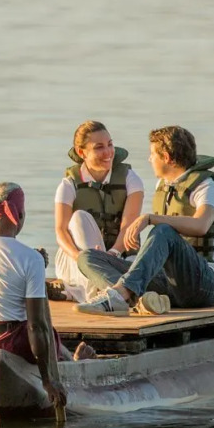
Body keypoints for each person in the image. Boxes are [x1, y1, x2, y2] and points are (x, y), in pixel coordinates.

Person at [77, 126, 214, 315]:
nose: (149, 159)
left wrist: (151, 218)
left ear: (166, 158)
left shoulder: (208, 187)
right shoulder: (165, 186)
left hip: (204, 285)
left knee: (163, 231)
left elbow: (201, 225)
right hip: (168, 281)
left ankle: (121, 296)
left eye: (153, 154)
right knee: (87, 257)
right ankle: (139, 300)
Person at [0, 182, 86, 414]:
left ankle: (72, 359)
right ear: (19, 215)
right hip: (10, 341)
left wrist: (35, 261)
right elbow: (37, 326)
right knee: (51, 336)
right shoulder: (30, 259)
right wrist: (48, 381)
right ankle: (73, 363)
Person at [53, 120, 146, 303]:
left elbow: (129, 225)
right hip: (76, 259)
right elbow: (60, 231)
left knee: (140, 266)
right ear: (82, 153)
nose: (108, 152)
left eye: (110, 144)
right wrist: (83, 258)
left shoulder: (130, 179)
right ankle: (103, 295)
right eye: (99, 147)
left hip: (119, 256)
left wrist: (111, 254)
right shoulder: (68, 184)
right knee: (80, 218)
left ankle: (79, 293)